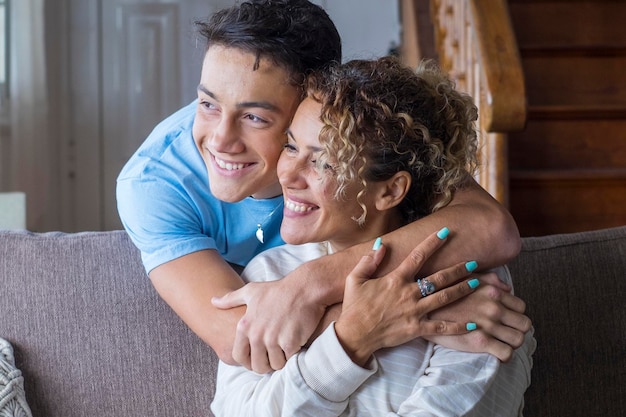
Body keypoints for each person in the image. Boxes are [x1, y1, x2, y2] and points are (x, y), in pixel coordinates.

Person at [116, 0, 529, 374]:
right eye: (208, 103)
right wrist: (410, 309)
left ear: (314, 105)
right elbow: (239, 335)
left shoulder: (350, 129)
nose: (220, 140)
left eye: (255, 118)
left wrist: (310, 284)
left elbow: (491, 227)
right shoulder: (153, 184)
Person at [211, 57, 535, 416]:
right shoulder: (271, 274)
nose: (287, 174)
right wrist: (352, 336)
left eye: (323, 162)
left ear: (391, 191)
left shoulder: (468, 283)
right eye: (291, 146)